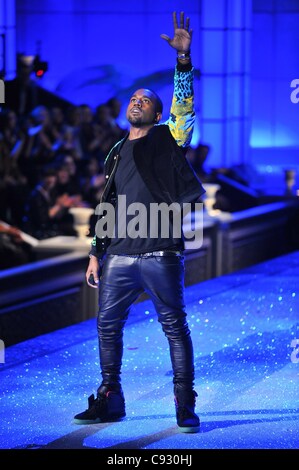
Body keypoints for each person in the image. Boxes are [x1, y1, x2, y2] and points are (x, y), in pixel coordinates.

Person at [73, 11, 205, 433]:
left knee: (174, 326)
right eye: (133, 98)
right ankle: (110, 398)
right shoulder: (115, 150)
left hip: (161, 251)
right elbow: (105, 203)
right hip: (119, 256)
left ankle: (185, 403)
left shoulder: (169, 137)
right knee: (107, 326)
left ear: (156, 111)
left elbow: (183, 105)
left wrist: (182, 60)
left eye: (145, 99)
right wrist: (96, 252)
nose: (136, 101)